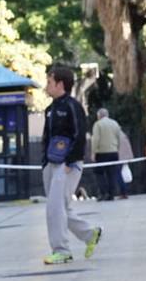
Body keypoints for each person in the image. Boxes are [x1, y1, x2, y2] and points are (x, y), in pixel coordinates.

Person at [41, 65, 101, 265]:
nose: (46, 86)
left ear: (60, 84)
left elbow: (79, 134)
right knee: (60, 207)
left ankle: (61, 250)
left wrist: (70, 161)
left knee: (54, 208)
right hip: (50, 163)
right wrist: (44, 162)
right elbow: (45, 138)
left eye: (49, 82)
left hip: (67, 164)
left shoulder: (72, 106)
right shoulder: (50, 109)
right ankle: (89, 234)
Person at [90, 108, 125, 201]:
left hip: (102, 152)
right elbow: (119, 137)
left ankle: (103, 192)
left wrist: (93, 152)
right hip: (113, 152)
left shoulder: (97, 124)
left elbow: (95, 139)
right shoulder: (115, 123)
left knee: (99, 173)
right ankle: (111, 194)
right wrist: (117, 149)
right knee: (112, 173)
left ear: (99, 116)